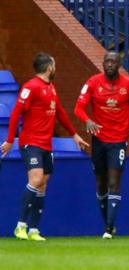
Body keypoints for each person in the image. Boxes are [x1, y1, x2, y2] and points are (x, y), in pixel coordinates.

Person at [1, 52, 89, 241]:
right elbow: (16, 113)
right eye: (54, 65)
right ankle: (20, 226)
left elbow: (59, 112)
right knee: (36, 178)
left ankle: (33, 230)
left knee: (43, 184)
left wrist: (74, 134)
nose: (55, 68)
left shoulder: (51, 88)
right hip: (30, 142)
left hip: (46, 144)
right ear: (49, 67)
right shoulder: (30, 87)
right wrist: (10, 139)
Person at [74, 51, 129, 239]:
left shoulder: (128, 84)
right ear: (103, 63)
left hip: (118, 140)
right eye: (107, 61)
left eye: (114, 61)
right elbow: (78, 108)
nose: (110, 64)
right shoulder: (93, 82)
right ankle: (108, 222)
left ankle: (108, 228)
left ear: (120, 64)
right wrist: (87, 120)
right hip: (98, 139)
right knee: (101, 183)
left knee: (114, 181)